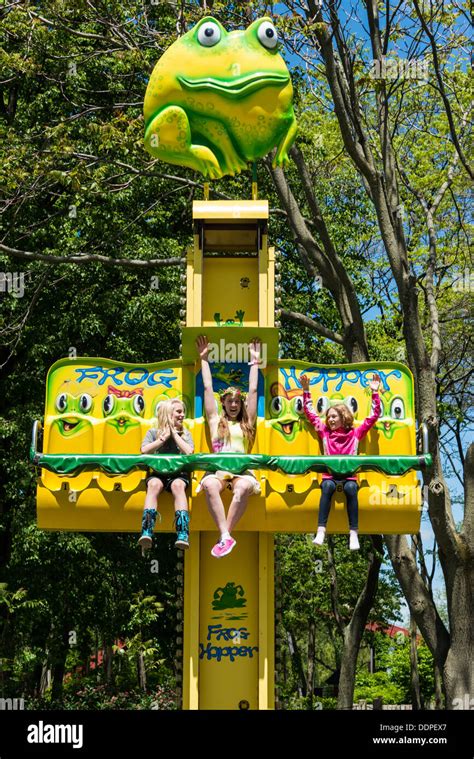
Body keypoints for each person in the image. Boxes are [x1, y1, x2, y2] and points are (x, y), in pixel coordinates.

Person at [196, 335, 261, 558]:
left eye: (237, 401)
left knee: (242, 488)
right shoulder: (216, 421)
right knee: (210, 486)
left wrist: (254, 361)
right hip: (219, 470)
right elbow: (207, 387)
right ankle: (225, 536)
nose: (234, 404)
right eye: (229, 401)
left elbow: (253, 391)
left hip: (241, 470)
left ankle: (225, 536)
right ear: (223, 402)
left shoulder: (247, 424)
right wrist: (204, 359)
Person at [301, 372, 381, 550]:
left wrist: (375, 393)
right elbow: (310, 413)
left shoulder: (355, 433)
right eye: (328, 417)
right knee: (327, 487)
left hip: (349, 476)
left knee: (351, 489)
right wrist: (306, 390)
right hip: (330, 475)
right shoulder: (324, 432)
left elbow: (374, 416)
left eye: (333, 416)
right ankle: (321, 530)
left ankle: (353, 533)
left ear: (343, 417)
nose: (329, 419)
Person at [138, 398, 194, 554]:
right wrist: (162, 438)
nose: (182, 415)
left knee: (178, 485)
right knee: (154, 485)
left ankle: (182, 531)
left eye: (183, 412)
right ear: (168, 414)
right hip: (158, 474)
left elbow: (189, 451)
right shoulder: (153, 432)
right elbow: (144, 451)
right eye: (178, 412)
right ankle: (147, 529)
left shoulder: (185, 434)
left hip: (178, 474)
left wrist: (175, 435)